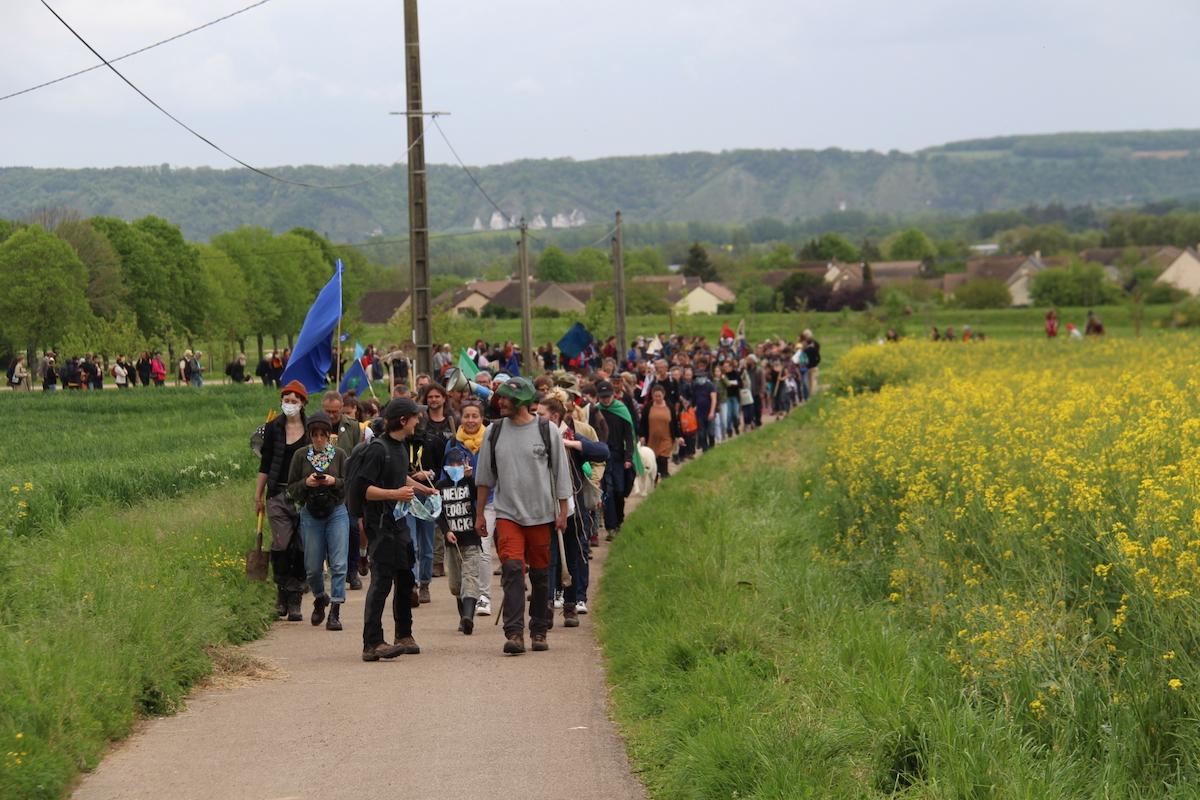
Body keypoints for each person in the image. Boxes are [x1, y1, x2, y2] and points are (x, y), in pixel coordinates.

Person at [474, 377, 571, 654]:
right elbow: (484, 478)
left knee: (541, 576)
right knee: (513, 571)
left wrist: (563, 512)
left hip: (542, 516)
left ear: (520, 402)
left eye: (504, 398)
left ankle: (539, 630)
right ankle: (514, 633)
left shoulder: (547, 430)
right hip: (507, 515)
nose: (499, 402)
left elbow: (560, 473)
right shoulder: (494, 432)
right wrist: (480, 514)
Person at [355, 396, 434, 661]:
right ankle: (372, 643)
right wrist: (394, 494)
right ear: (403, 420)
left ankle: (404, 634)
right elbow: (363, 489)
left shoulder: (400, 446)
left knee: (405, 577)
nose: (419, 419)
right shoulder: (378, 448)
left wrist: (425, 489)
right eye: (415, 416)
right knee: (381, 581)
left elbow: (399, 475)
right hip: (379, 525)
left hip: (399, 523)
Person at [287, 410, 349, 631]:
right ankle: (320, 596)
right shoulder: (300, 456)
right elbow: (291, 488)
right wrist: (307, 483)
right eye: (315, 435)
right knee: (313, 566)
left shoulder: (340, 454)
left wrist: (334, 481)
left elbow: (349, 483)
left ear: (328, 435)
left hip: (337, 511)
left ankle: (335, 608)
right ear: (310, 435)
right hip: (310, 511)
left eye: (323, 435)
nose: (319, 439)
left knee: (339, 563)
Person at [255, 381, 311, 622]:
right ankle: (281, 591)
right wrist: (257, 495)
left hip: (304, 496)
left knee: (300, 546)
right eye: (286, 400)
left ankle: (296, 595)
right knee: (281, 544)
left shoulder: (312, 430)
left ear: (303, 403)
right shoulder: (272, 428)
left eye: (294, 401)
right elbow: (265, 464)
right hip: (277, 494)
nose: (289, 405)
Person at [449, 399, 494, 616]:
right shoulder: (452, 444)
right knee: (462, 553)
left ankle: (483, 596)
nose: (470, 420)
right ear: (460, 417)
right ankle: (465, 594)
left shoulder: (491, 440)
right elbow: (444, 477)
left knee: (483, 548)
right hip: (462, 505)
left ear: (482, 418)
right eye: (466, 416)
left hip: (490, 502)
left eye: (475, 416)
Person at [437, 447, 481, 634]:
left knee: (470, 578)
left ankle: (468, 617)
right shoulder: (440, 486)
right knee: (456, 583)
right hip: (452, 542)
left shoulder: (469, 483)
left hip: (470, 539)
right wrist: (446, 531)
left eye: (459, 464)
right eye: (452, 465)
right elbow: (438, 513)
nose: (455, 468)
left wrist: (469, 478)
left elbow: (477, 496)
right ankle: (462, 617)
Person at [420, 383, 458, 580]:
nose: (434, 400)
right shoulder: (421, 425)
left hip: (453, 478)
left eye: (437, 396)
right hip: (428, 481)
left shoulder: (454, 422)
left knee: (452, 518)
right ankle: (437, 562)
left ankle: (456, 557)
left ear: (444, 398)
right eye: (430, 397)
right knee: (434, 522)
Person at [596, 379, 636, 541]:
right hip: (603, 457)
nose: (605, 400)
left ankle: (619, 519)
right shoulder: (596, 412)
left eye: (608, 396)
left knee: (620, 490)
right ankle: (611, 526)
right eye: (602, 397)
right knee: (608, 492)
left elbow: (629, 435)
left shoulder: (621, 410)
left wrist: (629, 457)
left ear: (614, 395)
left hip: (619, 457)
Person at [639, 384, 683, 481]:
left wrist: (679, 436)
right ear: (652, 396)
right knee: (655, 460)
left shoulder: (669, 407)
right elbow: (643, 422)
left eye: (659, 396)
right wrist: (642, 436)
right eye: (655, 396)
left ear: (664, 395)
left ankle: (665, 477)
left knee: (663, 459)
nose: (658, 398)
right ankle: (655, 479)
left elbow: (675, 423)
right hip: (652, 439)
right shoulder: (648, 407)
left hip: (666, 438)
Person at [801, 329, 821, 397]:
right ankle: (814, 393)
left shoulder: (806, 350)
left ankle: (809, 393)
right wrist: (816, 363)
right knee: (814, 380)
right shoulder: (815, 349)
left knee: (809, 381)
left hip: (807, 367)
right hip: (814, 366)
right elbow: (819, 357)